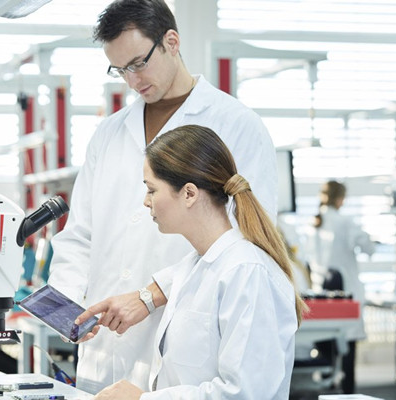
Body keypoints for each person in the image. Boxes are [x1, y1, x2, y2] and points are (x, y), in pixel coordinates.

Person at [47, 0, 278, 394]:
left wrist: (152, 294)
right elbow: (80, 233)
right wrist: (64, 305)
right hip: (103, 342)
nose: (132, 80)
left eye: (139, 63)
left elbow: (247, 236)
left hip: (181, 338)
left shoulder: (236, 125)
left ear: (172, 42)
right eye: (120, 70)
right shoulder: (109, 133)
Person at [75, 125, 305, 400]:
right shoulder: (194, 267)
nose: (146, 202)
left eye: (151, 190)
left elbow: (246, 394)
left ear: (189, 194)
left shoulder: (247, 273)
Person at [306, 180, 375, 394]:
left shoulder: (314, 223)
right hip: (345, 297)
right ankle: (348, 394)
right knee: (347, 349)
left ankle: (328, 389)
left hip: (321, 299)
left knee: (327, 349)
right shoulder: (344, 222)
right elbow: (369, 248)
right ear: (340, 199)